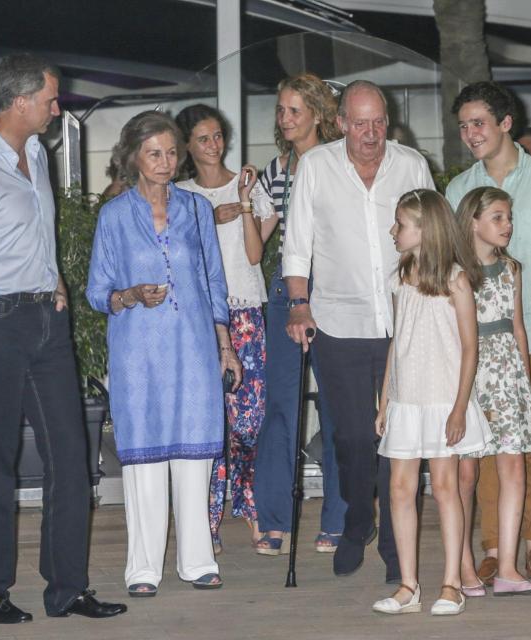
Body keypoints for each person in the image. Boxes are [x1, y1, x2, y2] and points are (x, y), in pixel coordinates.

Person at [0, 53, 126, 623]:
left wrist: (56, 281)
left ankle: (67, 589)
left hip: (47, 323)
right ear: (19, 102)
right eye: (50, 99)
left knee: (70, 456)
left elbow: (39, 233)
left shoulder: (38, 154)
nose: (56, 108)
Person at [86, 110, 242, 597]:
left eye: (172, 152)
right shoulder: (113, 215)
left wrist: (225, 347)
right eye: (154, 153)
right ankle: (143, 568)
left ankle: (198, 561)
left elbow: (214, 283)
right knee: (145, 459)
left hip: (194, 349)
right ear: (133, 156)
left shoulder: (196, 209)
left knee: (195, 456)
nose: (165, 162)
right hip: (138, 353)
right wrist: (130, 295)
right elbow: (97, 292)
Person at [283, 80, 434, 580]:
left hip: (403, 322)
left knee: (399, 438)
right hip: (338, 322)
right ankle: (357, 519)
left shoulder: (411, 165)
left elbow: (432, 238)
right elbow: (297, 245)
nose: (371, 134)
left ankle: (394, 547)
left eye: (379, 123)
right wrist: (299, 306)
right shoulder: (316, 166)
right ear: (341, 123)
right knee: (350, 438)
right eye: (360, 123)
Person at [445, 81, 531, 583]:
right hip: (478, 340)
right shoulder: (458, 190)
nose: (471, 133)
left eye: (479, 123)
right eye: (464, 125)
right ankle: (495, 547)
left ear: (505, 123)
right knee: (485, 444)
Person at [372, 189, 491, 616]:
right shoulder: (401, 278)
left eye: (400, 224)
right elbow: (397, 343)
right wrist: (385, 400)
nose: (393, 230)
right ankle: (408, 585)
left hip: (443, 399)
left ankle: (452, 583)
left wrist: (459, 407)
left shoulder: (456, 279)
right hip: (406, 399)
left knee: (445, 487)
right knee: (399, 488)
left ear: (424, 230)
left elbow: (470, 347)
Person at [253, 73, 346, 555]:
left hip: (334, 287)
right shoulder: (277, 168)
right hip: (285, 287)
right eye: (281, 110)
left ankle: (340, 517)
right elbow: (258, 244)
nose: (285, 119)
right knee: (280, 405)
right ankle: (272, 518)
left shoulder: (339, 161)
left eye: (295, 110)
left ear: (318, 113)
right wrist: (243, 204)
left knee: (337, 405)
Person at [175, 104, 272, 550]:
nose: (213, 145)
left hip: (246, 313)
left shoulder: (247, 184)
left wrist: (246, 204)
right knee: (208, 423)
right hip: (200, 318)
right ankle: (206, 522)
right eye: (203, 138)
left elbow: (254, 255)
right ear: (187, 146)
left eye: (217, 136)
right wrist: (208, 219)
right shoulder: (180, 194)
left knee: (249, 421)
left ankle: (251, 508)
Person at [455, 186, 531, 597]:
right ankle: (462, 566)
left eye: (509, 217)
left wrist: (523, 380)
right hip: (470, 376)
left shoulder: (511, 269)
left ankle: (508, 567)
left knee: (514, 467)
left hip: (507, 376)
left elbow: (518, 327)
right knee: (465, 472)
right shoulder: (455, 272)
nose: (507, 225)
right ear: (473, 221)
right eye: (497, 217)